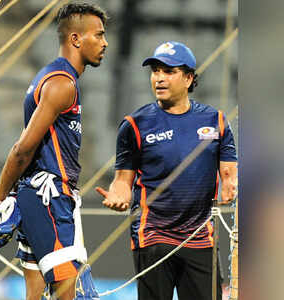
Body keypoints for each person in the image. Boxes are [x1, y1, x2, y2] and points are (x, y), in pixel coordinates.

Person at [0, 3, 108, 300]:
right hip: (49, 197)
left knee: (35, 295)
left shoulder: (49, 76)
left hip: (37, 195)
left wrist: (10, 195)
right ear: (76, 39)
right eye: (98, 35)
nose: (105, 42)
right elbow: (22, 150)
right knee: (72, 294)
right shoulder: (62, 84)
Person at [96, 41, 237, 300]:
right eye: (155, 71)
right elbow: (122, 181)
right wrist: (119, 194)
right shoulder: (134, 125)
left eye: (168, 71)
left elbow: (230, 172)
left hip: (200, 238)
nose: (159, 78)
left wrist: (230, 185)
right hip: (153, 235)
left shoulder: (215, 121)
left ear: (189, 78)